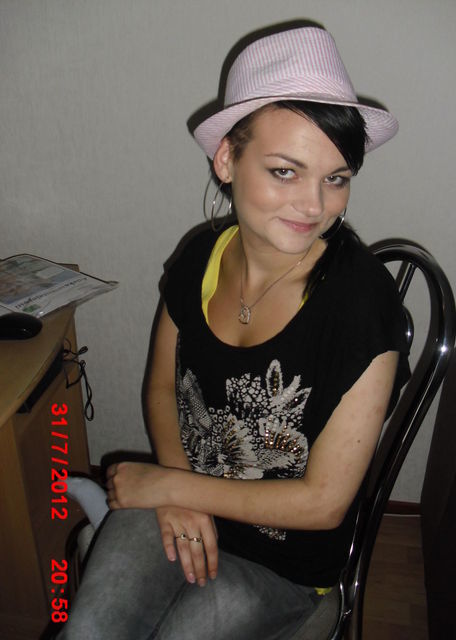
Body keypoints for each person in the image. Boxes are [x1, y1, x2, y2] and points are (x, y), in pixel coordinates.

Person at [59, 23, 410, 640]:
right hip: (180, 500)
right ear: (227, 159)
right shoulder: (201, 258)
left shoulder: (363, 308)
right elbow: (163, 387)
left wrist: (170, 485)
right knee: (88, 629)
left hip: (285, 562)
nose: (315, 205)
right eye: (285, 171)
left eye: (335, 177)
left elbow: (324, 503)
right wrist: (177, 494)